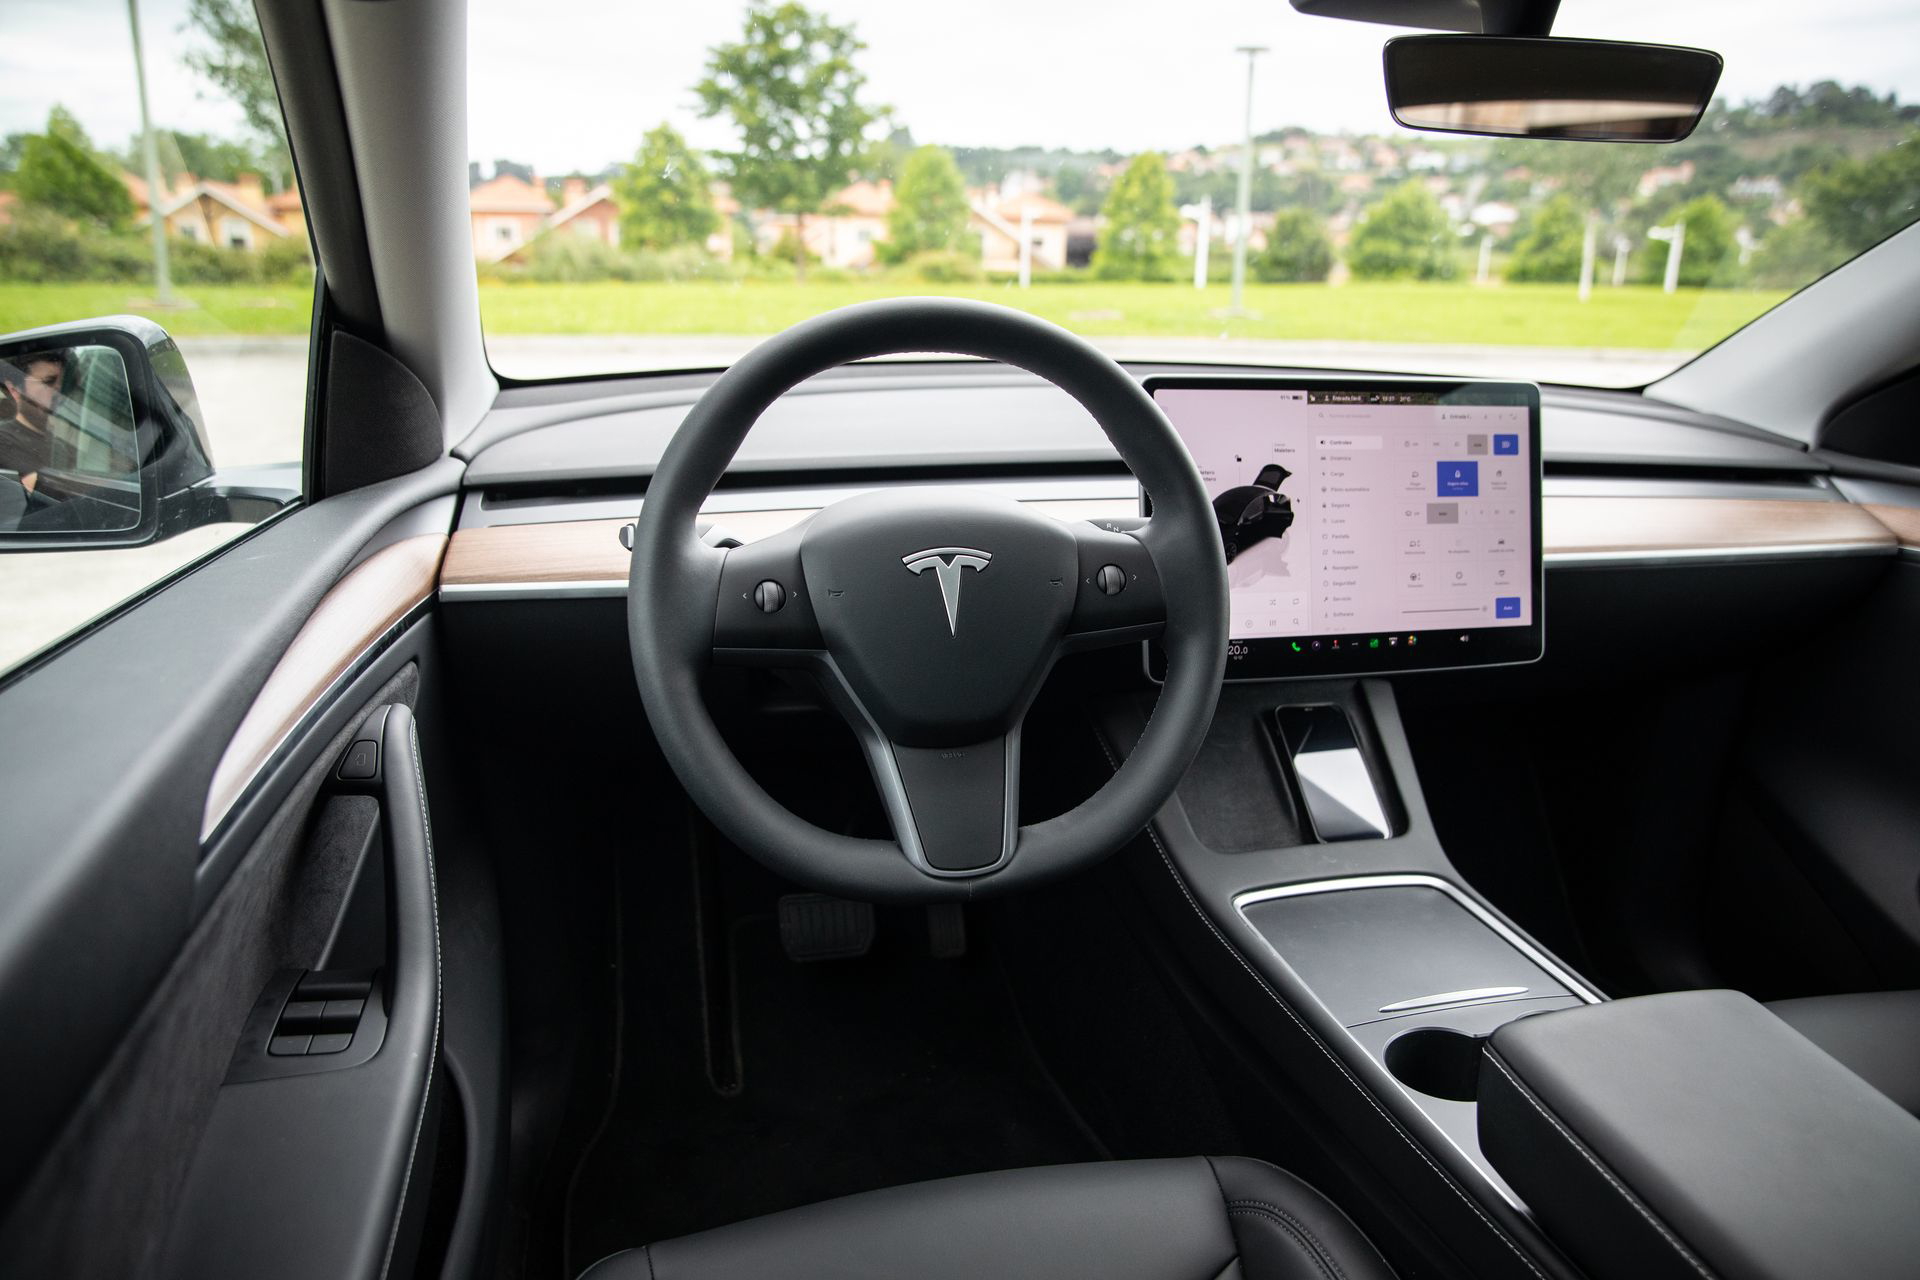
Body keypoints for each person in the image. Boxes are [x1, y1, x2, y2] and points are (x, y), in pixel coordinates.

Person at [0, 348, 69, 493]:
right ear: (14, 390)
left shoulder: (60, 447)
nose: (58, 391)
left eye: (60, 383)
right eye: (48, 382)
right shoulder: (3, 442)